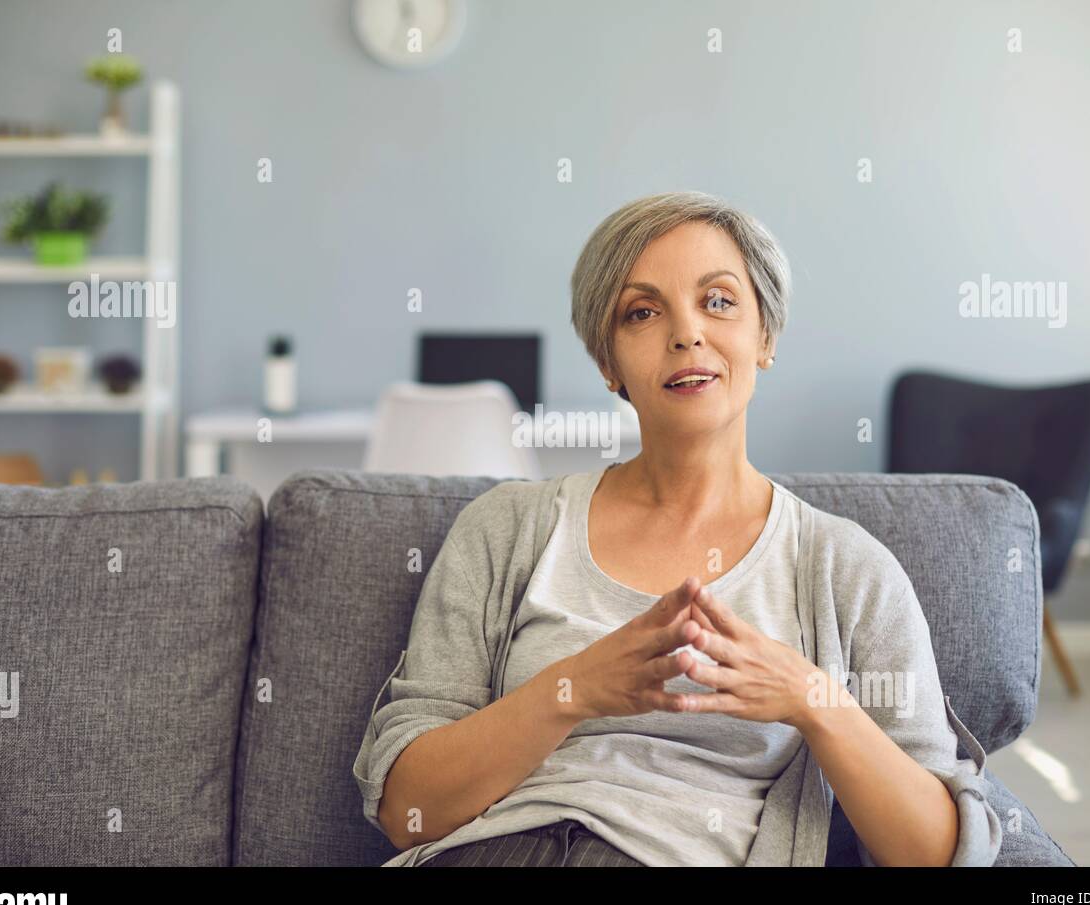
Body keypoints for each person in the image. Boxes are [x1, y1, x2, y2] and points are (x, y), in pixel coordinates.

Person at [352, 190, 1003, 867]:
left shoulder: (847, 570)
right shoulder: (506, 529)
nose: (686, 332)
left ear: (766, 337)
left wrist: (813, 699)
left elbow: (937, 856)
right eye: (642, 312)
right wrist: (572, 689)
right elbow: (408, 813)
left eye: (719, 301)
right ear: (609, 365)